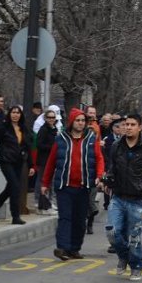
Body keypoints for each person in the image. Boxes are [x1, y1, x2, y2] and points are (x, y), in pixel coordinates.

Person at [41, 108, 105, 261]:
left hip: (84, 186)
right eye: (78, 120)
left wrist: (99, 175)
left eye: (83, 120)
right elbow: (51, 162)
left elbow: (99, 158)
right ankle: (62, 247)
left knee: (79, 219)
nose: (81, 123)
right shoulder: (61, 138)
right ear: (72, 122)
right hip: (64, 185)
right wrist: (45, 182)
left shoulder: (91, 138)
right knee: (65, 217)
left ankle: (74, 249)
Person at [102, 113, 142, 281]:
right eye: (126, 124)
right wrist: (107, 180)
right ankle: (123, 256)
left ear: (140, 127)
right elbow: (112, 167)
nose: (128, 127)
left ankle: (136, 266)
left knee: (134, 236)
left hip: (138, 199)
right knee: (112, 231)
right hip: (118, 196)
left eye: (132, 124)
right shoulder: (116, 146)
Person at [0, 106, 36, 224]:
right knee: (15, 187)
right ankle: (15, 216)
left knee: (10, 188)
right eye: (13, 112)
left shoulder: (23, 129)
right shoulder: (3, 128)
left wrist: (31, 165)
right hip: (5, 160)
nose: (15, 115)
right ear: (9, 114)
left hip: (18, 161)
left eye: (18, 113)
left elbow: (27, 147)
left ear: (21, 115)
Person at [35, 109, 59, 214]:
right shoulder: (43, 129)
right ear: (45, 118)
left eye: (53, 117)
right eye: (49, 117)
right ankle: (43, 205)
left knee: (50, 182)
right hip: (44, 159)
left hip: (52, 159)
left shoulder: (54, 129)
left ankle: (46, 204)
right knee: (44, 182)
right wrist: (52, 147)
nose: (51, 119)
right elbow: (39, 144)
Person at [85, 106, 101, 235]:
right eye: (89, 112)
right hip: (82, 171)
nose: (91, 115)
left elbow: (100, 157)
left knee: (92, 196)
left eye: (93, 113)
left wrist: (100, 174)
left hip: (94, 170)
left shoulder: (96, 127)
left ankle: (90, 223)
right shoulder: (81, 125)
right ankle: (91, 211)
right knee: (85, 199)